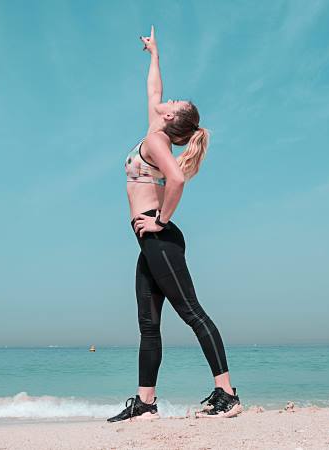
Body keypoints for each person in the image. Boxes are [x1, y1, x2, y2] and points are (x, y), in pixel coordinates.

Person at [107, 26, 242, 422]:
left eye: (173, 101)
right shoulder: (156, 129)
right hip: (151, 242)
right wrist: (154, 56)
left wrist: (160, 221)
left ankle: (227, 394)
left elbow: (178, 180)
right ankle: (146, 404)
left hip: (159, 237)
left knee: (191, 312)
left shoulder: (156, 143)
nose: (167, 99)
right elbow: (153, 91)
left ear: (171, 116)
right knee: (148, 324)